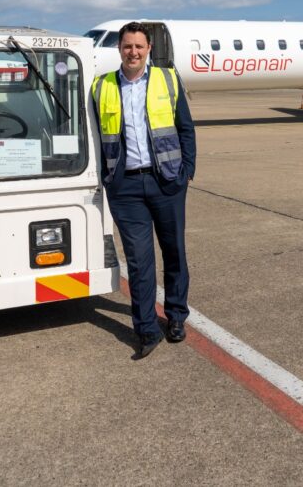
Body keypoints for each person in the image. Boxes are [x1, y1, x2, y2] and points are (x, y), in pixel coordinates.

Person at [91, 22, 197, 359]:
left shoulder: (167, 79)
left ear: (148, 48)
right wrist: (109, 178)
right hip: (125, 186)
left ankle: (177, 316)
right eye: (127, 47)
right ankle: (147, 328)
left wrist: (186, 172)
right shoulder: (101, 86)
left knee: (174, 253)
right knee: (139, 261)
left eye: (138, 46)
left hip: (166, 181)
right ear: (119, 50)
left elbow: (185, 128)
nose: (132, 52)